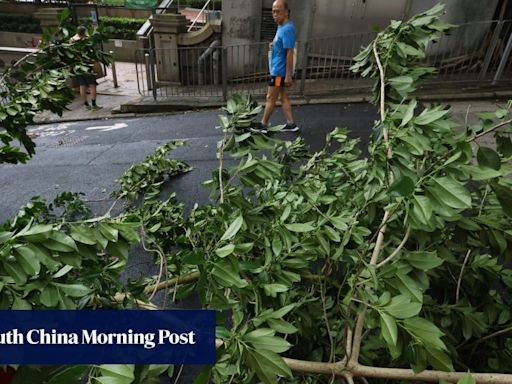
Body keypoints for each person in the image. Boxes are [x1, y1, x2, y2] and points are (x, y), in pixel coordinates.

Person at [253, 0, 299, 133]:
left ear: (286, 12)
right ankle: (291, 124)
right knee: (283, 97)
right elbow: (282, 45)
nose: (274, 14)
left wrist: (288, 76)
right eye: (273, 11)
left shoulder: (287, 29)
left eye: (278, 11)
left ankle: (264, 124)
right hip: (280, 70)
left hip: (279, 72)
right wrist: (273, 45)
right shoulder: (282, 26)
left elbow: (289, 52)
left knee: (270, 97)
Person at [71, 26, 102, 111]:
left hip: (77, 66)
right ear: (84, 33)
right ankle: (94, 104)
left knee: (82, 85)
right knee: (92, 85)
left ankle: (86, 105)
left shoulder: (72, 40)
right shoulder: (85, 41)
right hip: (86, 65)